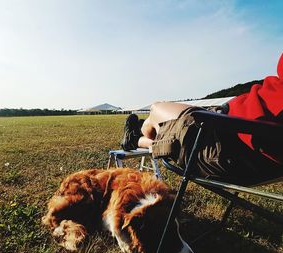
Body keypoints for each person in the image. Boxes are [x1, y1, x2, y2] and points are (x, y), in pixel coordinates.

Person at [121, 53, 283, 184]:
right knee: (169, 121)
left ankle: (136, 137)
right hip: (227, 124)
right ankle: (138, 135)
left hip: (225, 139)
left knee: (156, 109)